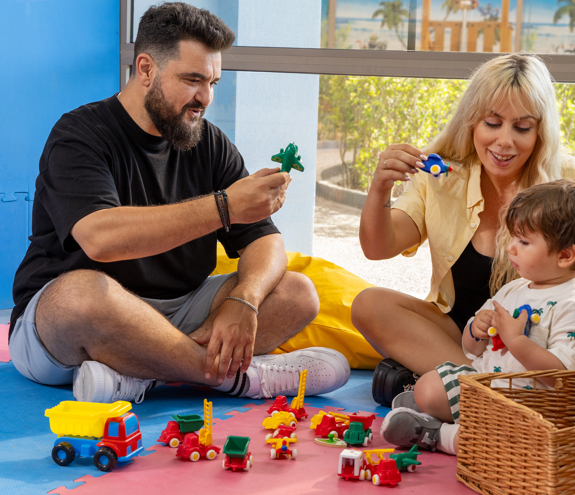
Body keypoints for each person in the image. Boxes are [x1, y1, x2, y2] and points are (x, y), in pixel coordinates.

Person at [8, 3, 350, 404]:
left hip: (179, 310)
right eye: (192, 79)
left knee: (298, 293)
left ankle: (141, 373)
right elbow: (100, 239)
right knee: (81, 295)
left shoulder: (210, 142)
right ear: (146, 69)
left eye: (212, 83)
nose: (204, 97)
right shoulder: (79, 135)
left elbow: (264, 241)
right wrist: (224, 207)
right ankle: (235, 378)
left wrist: (246, 299)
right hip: (71, 323)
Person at [351, 53, 574, 405]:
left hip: (543, 346)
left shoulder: (567, 183)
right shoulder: (442, 177)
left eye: (522, 127)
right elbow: (377, 248)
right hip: (461, 337)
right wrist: (380, 187)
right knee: (368, 304)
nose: (504, 141)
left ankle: (457, 393)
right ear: (472, 122)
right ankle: (491, 394)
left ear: (540, 131)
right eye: (492, 122)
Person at [379, 179, 575, 455]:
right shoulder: (515, 287)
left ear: (565, 255)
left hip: (529, 406)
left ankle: (437, 434)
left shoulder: (570, 301)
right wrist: (476, 330)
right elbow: (470, 349)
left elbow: (562, 378)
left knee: (510, 444)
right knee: (428, 387)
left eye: (524, 241)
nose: (510, 249)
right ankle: (434, 414)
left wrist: (515, 340)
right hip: (485, 384)